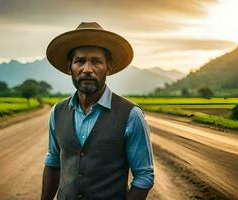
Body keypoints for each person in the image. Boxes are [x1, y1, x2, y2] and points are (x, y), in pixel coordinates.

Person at [41, 22, 154, 200]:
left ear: (108, 66)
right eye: (80, 61)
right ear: (69, 66)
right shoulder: (57, 112)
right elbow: (53, 162)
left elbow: (144, 176)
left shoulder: (131, 114)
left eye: (96, 61)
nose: (87, 69)